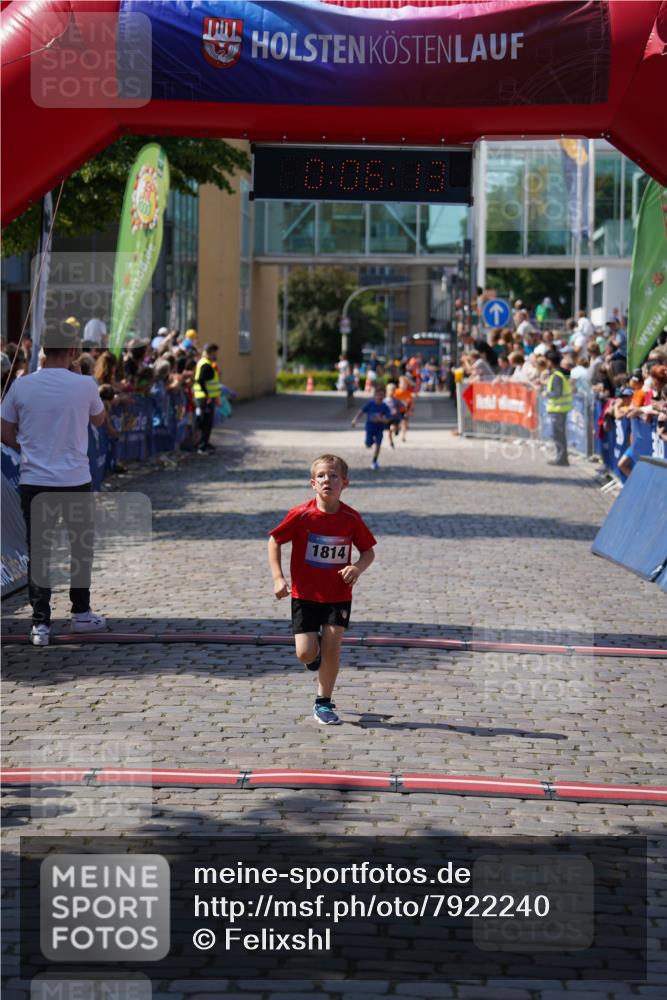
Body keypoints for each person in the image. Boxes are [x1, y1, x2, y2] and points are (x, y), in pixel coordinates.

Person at [0, 322, 108, 645]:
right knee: (80, 547)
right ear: (74, 351)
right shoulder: (85, 384)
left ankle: (40, 624)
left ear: (43, 351)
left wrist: (25, 445)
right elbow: (99, 419)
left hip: (35, 481)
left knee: (40, 550)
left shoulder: (22, 386)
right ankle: (81, 613)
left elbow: (4, 430)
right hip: (75, 479)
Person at [267, 454, 376, 726]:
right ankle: (312, 658)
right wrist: (278, 577)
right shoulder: (301, 515)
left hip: (338, 595)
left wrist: (357, 568)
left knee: (332, 649)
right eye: (322, 476)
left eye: (334, 476)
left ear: (345, 483)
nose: (328, 480)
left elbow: (368, 552)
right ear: (312, 483)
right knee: (305, 653)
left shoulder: (351, 518)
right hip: (305, 594)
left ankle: (323, 703)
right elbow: (275, 540)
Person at [351, 384, 391, 469]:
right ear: (374, 395)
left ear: (384, 396)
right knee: (368, 444)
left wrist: (381, 419)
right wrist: (355, 420)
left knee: (378, 445)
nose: (379, 396)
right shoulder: (370, 404)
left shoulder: (385, 407)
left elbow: (388, 420)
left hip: (379, 429)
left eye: (381, 395)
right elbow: (361, 411)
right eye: (378, 394)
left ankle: (374, 461)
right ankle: (371, 443)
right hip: (369, 428)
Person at [545, 349, 573, 466]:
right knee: (559, 435)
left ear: (550, 361)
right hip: (561, 410)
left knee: (558, 436)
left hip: (558, 410)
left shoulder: (556, 376)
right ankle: (562, 458)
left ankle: (561, 459)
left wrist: (547, 394)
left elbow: (557, 393)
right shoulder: (561, 374)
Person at [192, 342, 222, 454]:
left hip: (206, 397)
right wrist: (207, 395)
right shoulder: (205, 364)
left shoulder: (208, 363)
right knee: (204, 422)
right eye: (215, 353)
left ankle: (205, 443)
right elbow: (200, 380)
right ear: (209, 353)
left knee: (207, 422)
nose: (216, 355)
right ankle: (202, 446)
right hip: (204, 398)